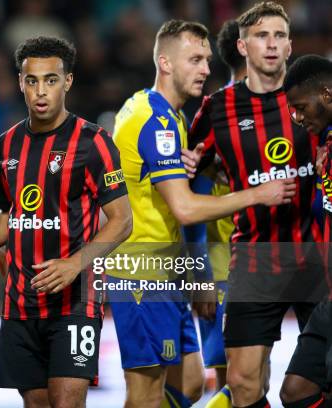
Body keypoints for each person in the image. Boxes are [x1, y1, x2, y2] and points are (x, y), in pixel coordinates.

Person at [110, 19, 293, 408]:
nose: (206, 70)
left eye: (207, 60)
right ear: (165, 63)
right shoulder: (156, 121)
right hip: (143, 273)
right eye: (194, 59)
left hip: (167, 272)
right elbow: (186, 208)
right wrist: (257, 194)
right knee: (144, 397)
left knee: (191, 384)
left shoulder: (158, 111)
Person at [0, 36, 133, 408]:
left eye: (51, 80)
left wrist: (76, 263)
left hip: (75, 303)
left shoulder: (95, 142)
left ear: (68, 82)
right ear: (21, 82)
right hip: (20, 304)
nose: (41, 91)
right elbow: (11, 216)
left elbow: (122, 221)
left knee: (67, 403)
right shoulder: (5, 145)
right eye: (32, 80)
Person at [186, 3, 324, 407]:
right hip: (254, 259)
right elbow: (199, 172)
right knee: (244, 385)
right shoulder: (217, 108)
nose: (272, 44)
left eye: (280, 36)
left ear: (290, 45)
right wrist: (193, 163)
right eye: (263, 36)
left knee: (316, 383)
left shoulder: (316, 98)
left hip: (316, 255)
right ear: (243, 46)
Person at [184, 18, 247, 403]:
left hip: (276, 263)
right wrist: (202, 279)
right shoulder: (217, 114)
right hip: (224, 268)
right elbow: (193, 207)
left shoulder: (288, 112)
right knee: (235, 382)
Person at [279, 54, 332, 408]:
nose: (297, 118)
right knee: (295, 392)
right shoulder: (324, 146)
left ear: (326, 94)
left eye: (300, 107)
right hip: (328, 296)